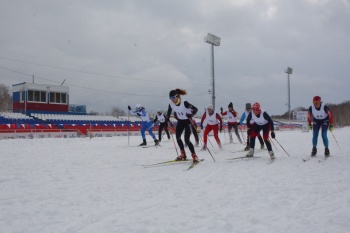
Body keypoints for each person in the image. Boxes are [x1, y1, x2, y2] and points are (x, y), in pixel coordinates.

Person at [166, 89, 199, 162]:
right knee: (178, 138)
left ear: (177, 96)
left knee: (186, 140)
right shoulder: (171, 104)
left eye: (174, 97)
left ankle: (194, 155)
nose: (172, 100)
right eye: (171, 98)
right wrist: (167, 118)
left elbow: (195, 109)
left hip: (188, 122)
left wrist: (191, 114)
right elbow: (169, 111)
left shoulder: (184, 103)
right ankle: (183, 154)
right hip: (180, 121)